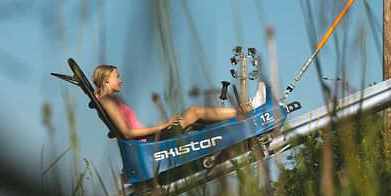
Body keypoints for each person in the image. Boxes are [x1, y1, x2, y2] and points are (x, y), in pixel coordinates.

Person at [92, 64, 266, 140]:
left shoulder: (105, 100)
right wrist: (162, 125)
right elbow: (128, 133)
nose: (120, 80)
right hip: (152, 142)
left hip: (150, 139)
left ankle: (244, 113)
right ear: (106, 79)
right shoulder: (107, 101)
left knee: (197, 116)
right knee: (195, 112)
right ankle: (249, 109)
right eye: (117, 76)